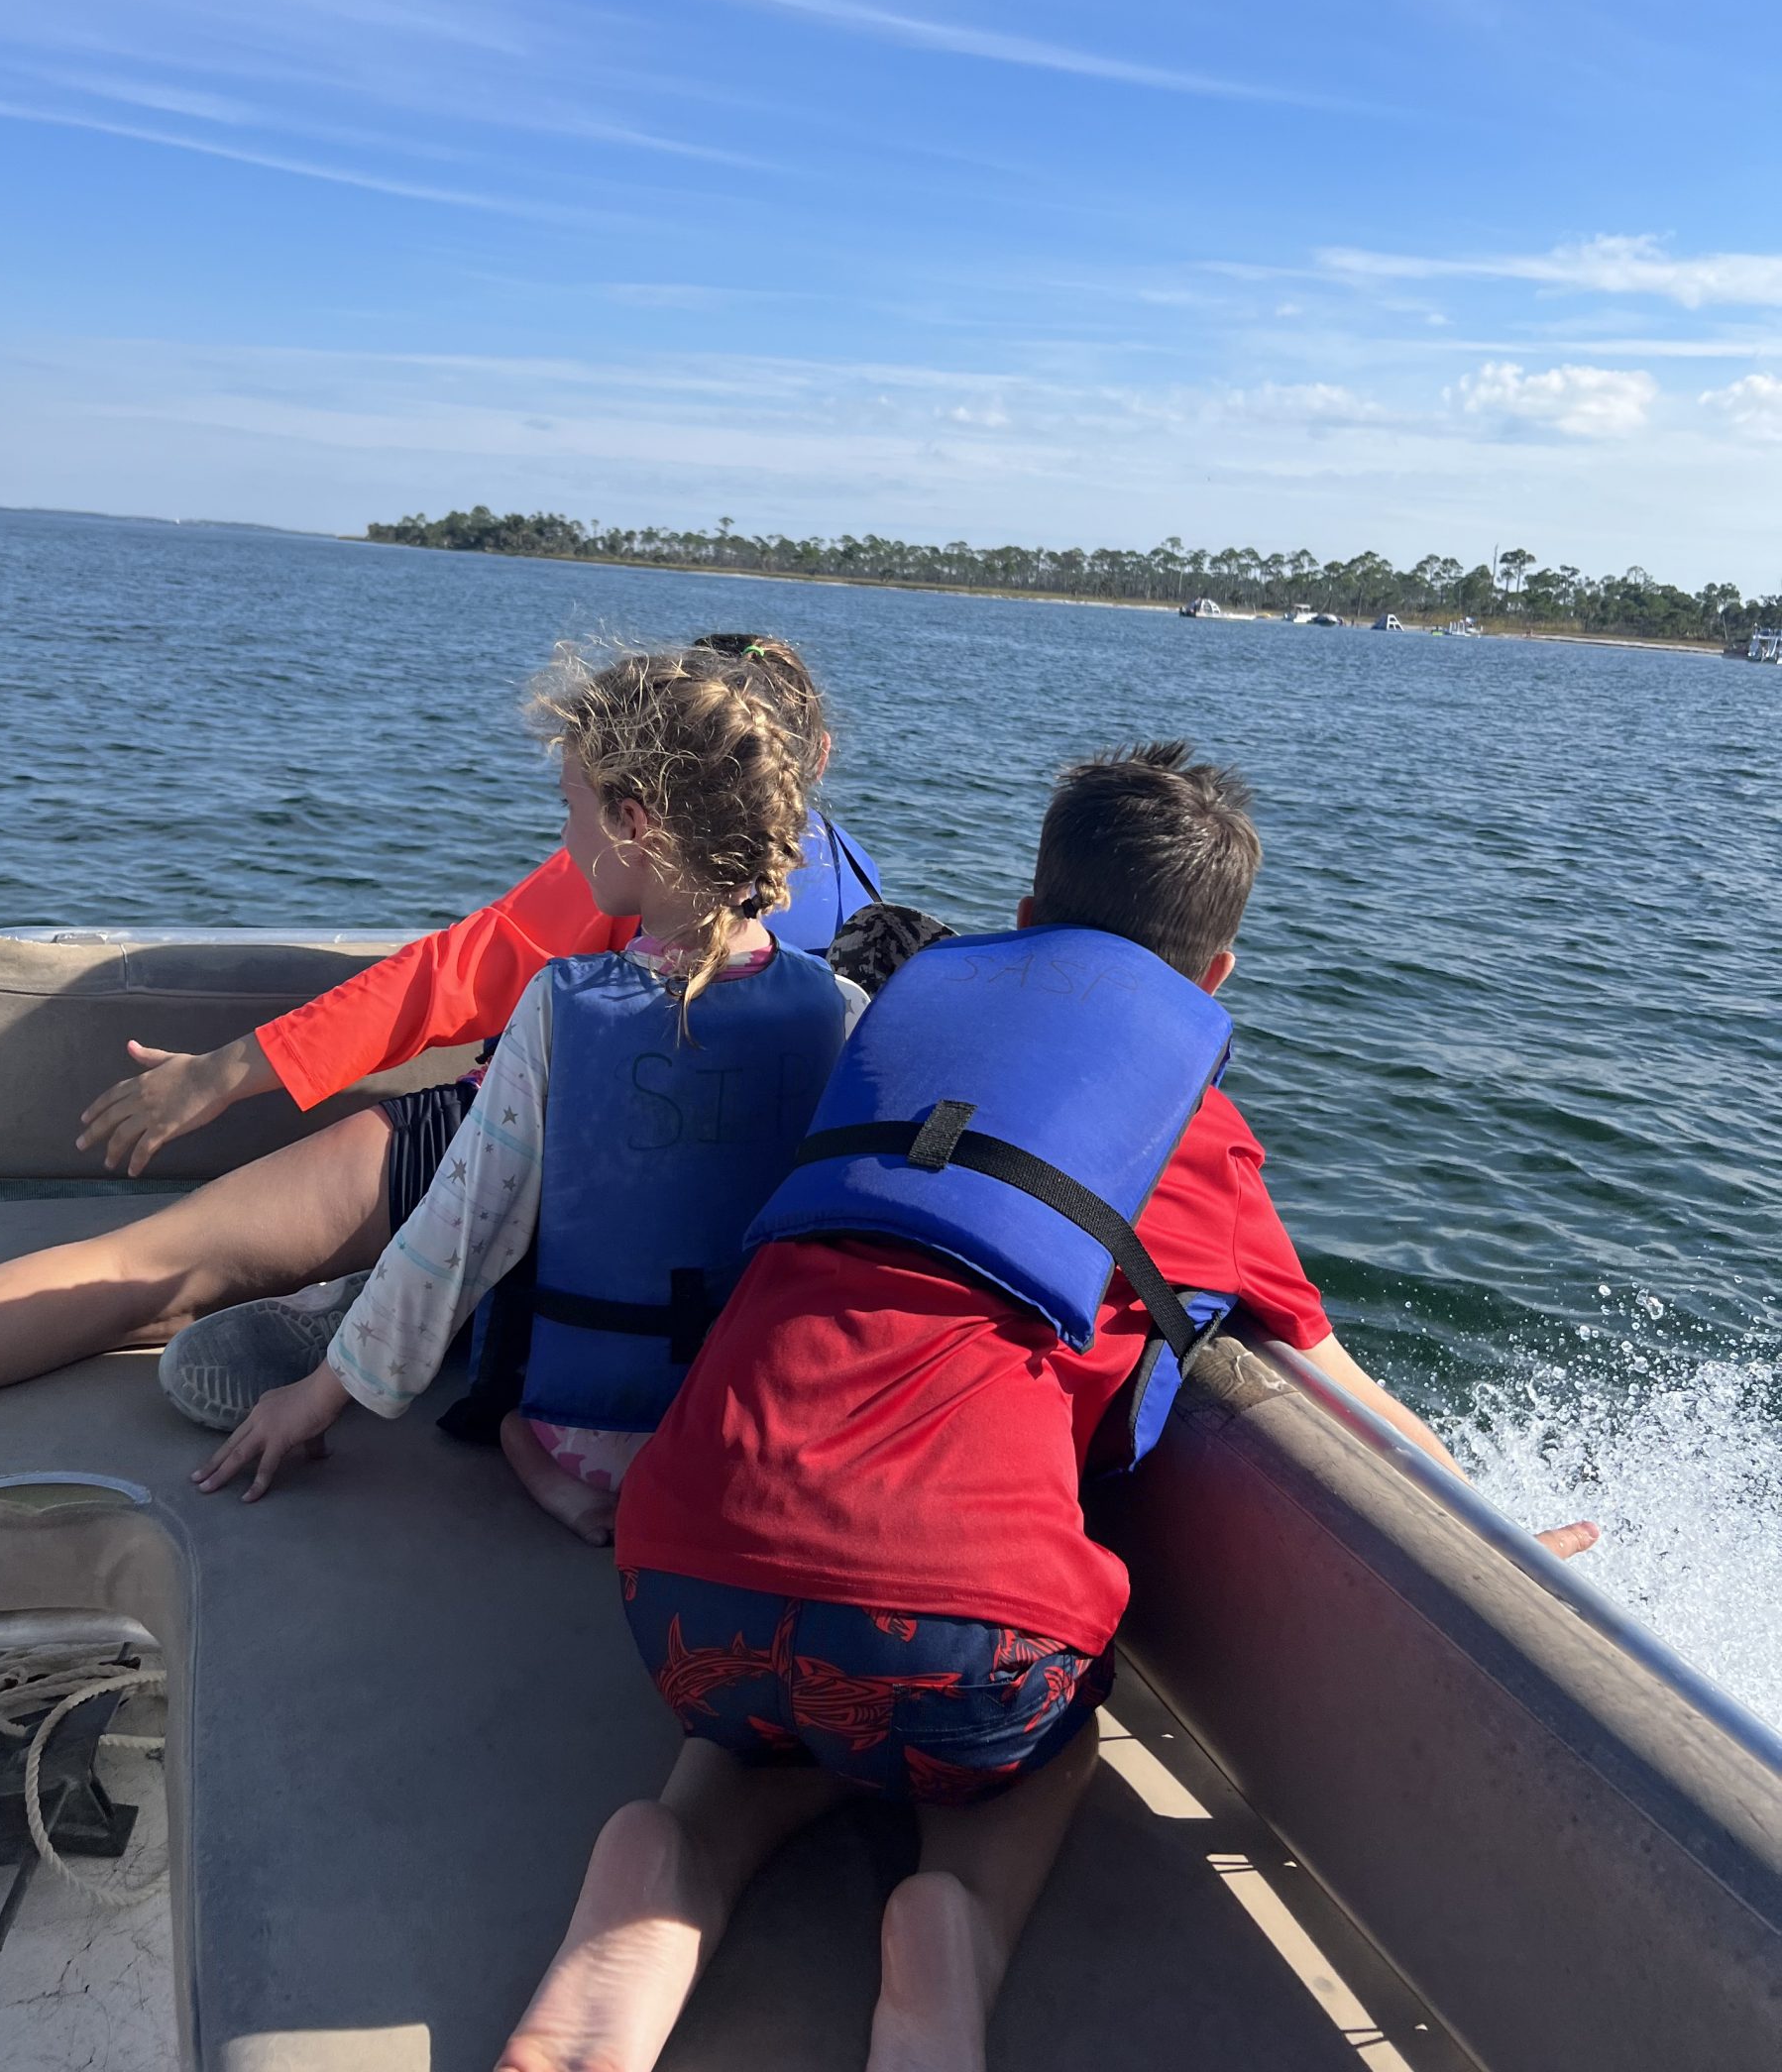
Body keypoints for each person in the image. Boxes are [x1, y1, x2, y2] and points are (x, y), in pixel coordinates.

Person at [499, 743, 1597, 2072]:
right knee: (1034, 1749)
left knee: (766, 1722)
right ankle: (948, 1934)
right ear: (1214, 979)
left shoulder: (886, 1046)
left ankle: (661, 1866)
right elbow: (1350, 1399)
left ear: (1022, 923)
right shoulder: (1198, 1139)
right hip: (950, 1647)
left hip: (677, 1584)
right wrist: (1507, 1546)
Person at [0, 636, 878, 1418]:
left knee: (151, 1269)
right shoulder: (848, 935)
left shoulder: (620, 885)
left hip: (515, 1155)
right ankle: (408, 1310)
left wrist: (226, 1070)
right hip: (679, 1250)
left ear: (638, 808)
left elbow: (455, 976)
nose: (569, 835)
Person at [189, 644, 870, 1542]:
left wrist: (319, 1396)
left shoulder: (563, 1007)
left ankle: (575, 1492)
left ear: (636, 823)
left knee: (509, 1415)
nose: (564, 839)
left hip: (602, 1432)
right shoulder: (839, 1008)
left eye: (570, 810)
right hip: (743, 1426)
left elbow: (461, 1230)